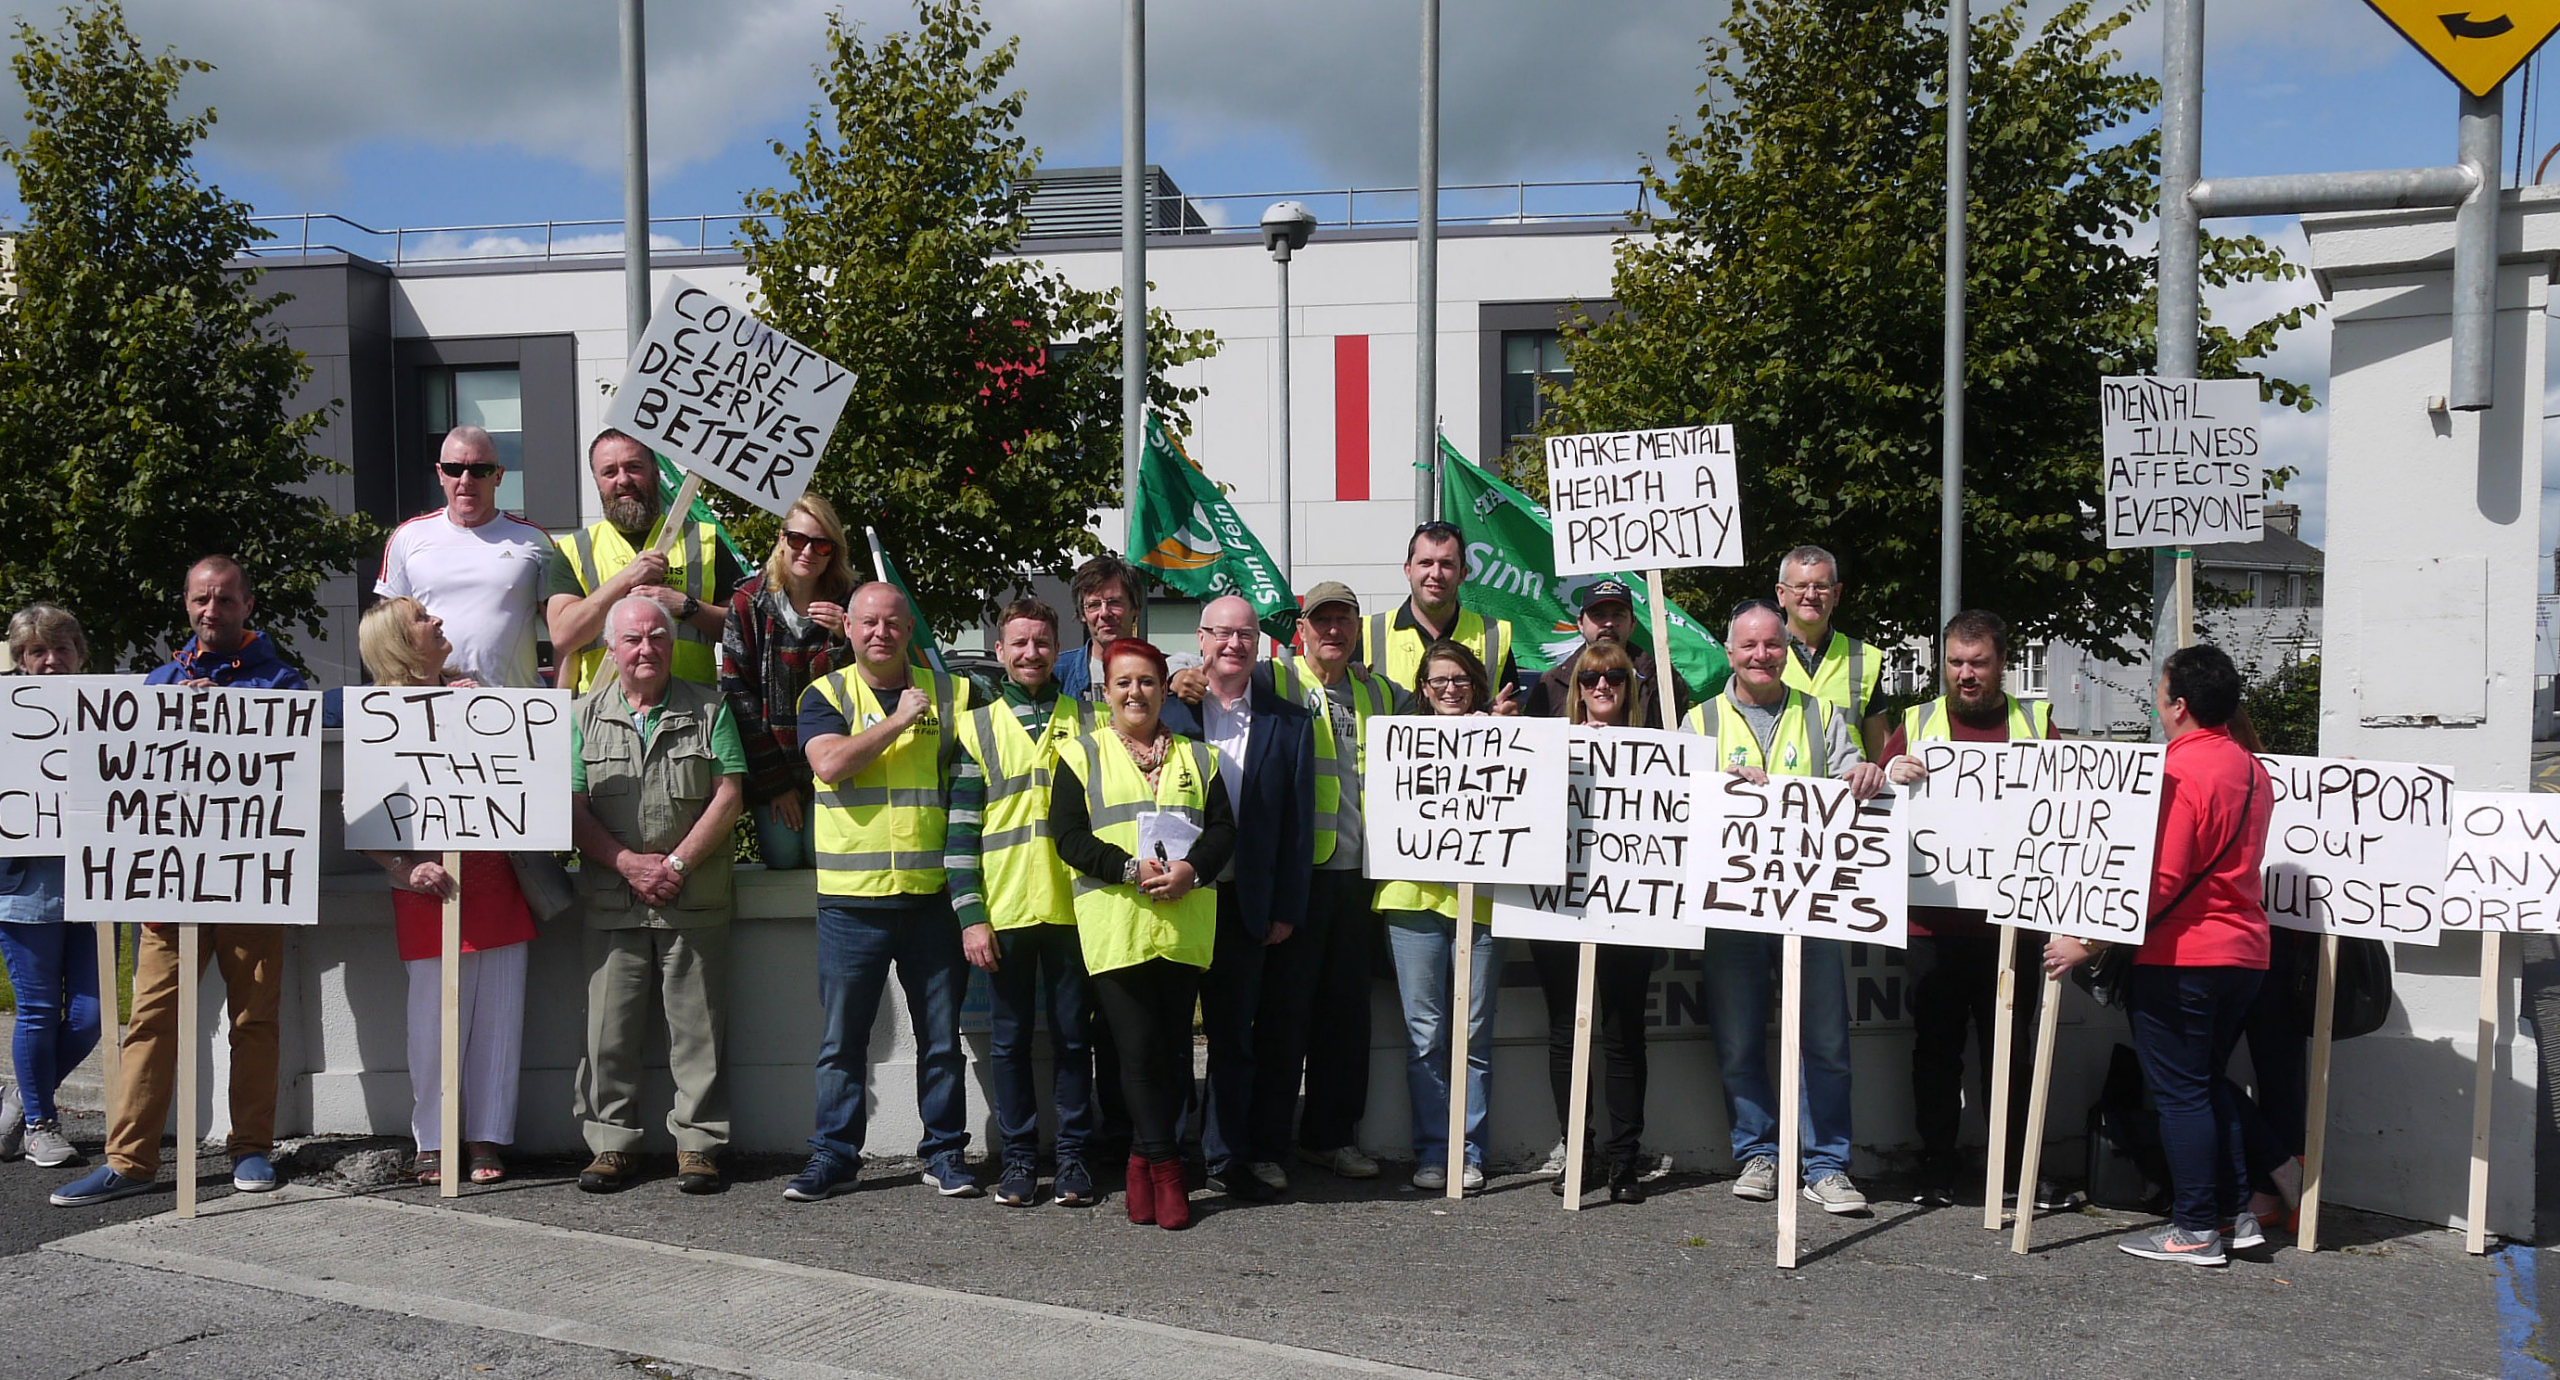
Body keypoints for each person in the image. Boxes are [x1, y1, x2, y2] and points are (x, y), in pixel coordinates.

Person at [55, 557, 307, 1207]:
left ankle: (251, 1148)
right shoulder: (161, 681)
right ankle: (129, 1159)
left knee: (254, 1020)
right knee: (150, 1021)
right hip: (169, 886)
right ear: (186, 603)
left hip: (251, 879)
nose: (210, 610)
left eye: (224, 599)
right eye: (200, 599)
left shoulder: (280, 683)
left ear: (248, 604)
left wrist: (220, 713)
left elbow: (292, 755)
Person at [2046, 644, 2274, 1267]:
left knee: (2180, 1092)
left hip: (2184, 956)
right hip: (2244, 953)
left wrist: (2085, 940)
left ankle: (2196, 1226)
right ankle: (2233, 1215)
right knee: (2204, 1083)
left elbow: (2160, 879)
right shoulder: (2253, 769)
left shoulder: (2178, 770)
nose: (2155, 700)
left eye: (2159, 689)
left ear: (2177, 704)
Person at [1683, 598, 1885, 1218]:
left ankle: (1826, 1166)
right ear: (1729, 652)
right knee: (1740, 1039)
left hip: (1813, 907)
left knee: (1824, 1041)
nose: (1761, 655)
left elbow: (1854, 773)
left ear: (1788, 650)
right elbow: (1678, 806)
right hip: (1734, 911)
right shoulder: (1699, 721)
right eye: (1748, 646)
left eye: (1772, 644)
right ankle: (1758, 1154)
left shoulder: (1822, 715)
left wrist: (1869, 774)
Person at [786, 582, 978, 1202]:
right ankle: (834, 1155)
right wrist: (899, 721)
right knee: (842, 1042)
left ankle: (945, 1154)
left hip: (931, 898)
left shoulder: (952, 693)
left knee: (941, 1041)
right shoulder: (825, 693)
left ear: (909, 630)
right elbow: (830, 765)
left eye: (893, 623)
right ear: (848, 628)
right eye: (867, 622)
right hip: (852, 901)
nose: (880, 633)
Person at [1051, 637, 1236, 1229]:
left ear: (1164, 687)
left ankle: (1139, 1159)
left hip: (1184, 924)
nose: (1136, 692)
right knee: (1135, 1051)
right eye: (1123, 683)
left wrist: (1192, 870)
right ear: (1107, 692)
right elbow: (1069, 837)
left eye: (1148, 682)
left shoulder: (1198, 757)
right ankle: (1163, 1167)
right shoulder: (1080, 754)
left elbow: (1224, 832)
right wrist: (1128, 868)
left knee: (1174, 1050)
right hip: (1117, 925)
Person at [1878, 610, 2060, 1208]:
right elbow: (1878, 802)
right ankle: (1936, 1166)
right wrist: (1890, 772)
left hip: (2015, 926)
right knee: (1935, 1050)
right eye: (1955, 662)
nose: (1966, 675)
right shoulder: (1917, 721)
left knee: (2009, 1051)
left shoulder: (2036, 724)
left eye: (1978, 663)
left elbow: (2069, 807)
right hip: (1934, 923)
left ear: (2002, 663)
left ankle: (2009, 1170)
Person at [566, 596, 746, 1196]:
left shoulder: (710, 708)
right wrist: (624, 863)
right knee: (607, 1034)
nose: (646, 650)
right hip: (612, 900)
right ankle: (611, 1144)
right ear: (612, 650)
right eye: (633, 640)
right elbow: (571, 807)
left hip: (692, 899)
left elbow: (728, 795)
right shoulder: (579, 717)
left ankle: (698, 1145)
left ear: (672, 644)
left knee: (699, 1032)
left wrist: (672, 864)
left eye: (658, 638)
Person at [355, 597, 537, 1186]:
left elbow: (523, 780)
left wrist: (482, 715)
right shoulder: (380, 716)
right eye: (422, 619)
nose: (437, 621)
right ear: (400, 644)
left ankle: (487, 1135)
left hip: (495, 882)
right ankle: (432, 1139)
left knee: (499, 1022)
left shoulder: (479, 697)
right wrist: (406, 867)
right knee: (432, 1026)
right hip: (429, 891)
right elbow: (361, 820)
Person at [1158, 595, 1314, 1201]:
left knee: (1235, 1041)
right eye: (1221, 633)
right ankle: (1170, 1155)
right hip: (1176, 897)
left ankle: (1226, 1157)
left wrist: (1285, 908)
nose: (1233, 644)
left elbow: (1297, 828)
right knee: (1171, 1037)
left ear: (1259, 643)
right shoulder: (1167, 712)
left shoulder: (1290, 724)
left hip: (1246, 903)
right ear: (1200, 639)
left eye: (1244, 634)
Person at [1250, 582, 1405, 1185]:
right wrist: (1189, 677)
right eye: (1323, 621)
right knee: (1284, 1017)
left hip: (1359, 879)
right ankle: (1265, 1144)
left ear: (1356, 630)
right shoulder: (1274, 681)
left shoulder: (1379, 691)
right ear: (1302, 631)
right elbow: (1213, 682)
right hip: (1300, 876)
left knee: (1347, 1019)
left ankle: (1330, 1138)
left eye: (1344, 620)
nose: (1333, 630)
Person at [948, 597, 1099, 1208]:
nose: (1031, 653)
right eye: (1019, 643)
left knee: (1072, 1040)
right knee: (1007, 1043)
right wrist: (970, 915)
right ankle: (1016, 1161)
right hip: (1005, 913)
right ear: (1001, 652)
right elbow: (958, 833)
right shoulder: (977, 726)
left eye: (1041, 642)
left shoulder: (1090, 722)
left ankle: (1073, 1160)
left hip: (1076, 910)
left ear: (1057, 647)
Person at [1531, 638, 1659, 1204]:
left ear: (1632, 687)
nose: (1601, 686)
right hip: (1559, 902)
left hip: (1631, 906)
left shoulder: (1659, 749)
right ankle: (1577, 1151)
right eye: (1589, 678)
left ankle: (1624, 1161)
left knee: (1625, 1032)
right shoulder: (1548, 746)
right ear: (1575, 689)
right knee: (1566, 1032)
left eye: (1614, 677)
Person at [1375, 639, 1501, 1193]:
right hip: (1409, 900)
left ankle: (1469, 1153)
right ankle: (1433, 1152)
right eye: (1438, 681)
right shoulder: (1399, 739)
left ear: (1475, 683)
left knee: (1472, 1034)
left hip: (1483, 902)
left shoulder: (1504, 740)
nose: (1450, 689)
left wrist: (1500, 735)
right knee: (1425, 1034)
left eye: (1460, 680)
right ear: (1422, 690)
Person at [0, 604, 99, 1170]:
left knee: (88, 1017)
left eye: (61, 649)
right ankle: (41, 1122)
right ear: (21, 661)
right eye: (38, 652)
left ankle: (20, 1095)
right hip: (21, 888)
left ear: (79, 655)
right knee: (38, 1011)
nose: (51, 661)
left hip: (92, 885)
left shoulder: (104, 711)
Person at [720, 495, 857, 870]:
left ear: (833, 553)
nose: (808, 551)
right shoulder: (748, 602)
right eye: (798, 539)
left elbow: (871, 685)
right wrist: (776, 784)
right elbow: (737, 695)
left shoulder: (852, 605)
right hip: (772, 763)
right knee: (782, 858)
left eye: (821, 544)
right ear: (781, 540)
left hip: (835, 766)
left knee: (822, 858)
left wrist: (849, 640)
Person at [546, 428, 740, 693]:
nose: (623, 480)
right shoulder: (573, 550)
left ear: (656, 473)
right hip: (605, 716)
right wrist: (627, 579)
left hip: (693, 714)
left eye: (634, 467)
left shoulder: (704, 541)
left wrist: (687, 606)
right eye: (610, 472)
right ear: (597, 481)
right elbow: (563, 637)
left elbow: (741, 631)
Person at [374, 424, 554, 688]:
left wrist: (564, 697)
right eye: (454, 469)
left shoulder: (533, 540)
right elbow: (387, 636)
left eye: (480, 470)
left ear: (499, 475)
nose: (466, 480)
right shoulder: (408, 536)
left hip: (514, 709)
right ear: (440, 473)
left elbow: (563, 630)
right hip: (432, 704)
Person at [1361, 520, 1521, 710]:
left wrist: (1506, 718)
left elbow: (1511, 708)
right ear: (1408, 570)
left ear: (1462, 574)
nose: (1436, 574)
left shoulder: (1494, 635)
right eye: (1426, 563)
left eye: (1446, 564)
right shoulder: (1367, 633)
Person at [1772, 545, 1889, 756]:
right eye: (1800, 586)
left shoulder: (1863, 659)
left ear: (1836, 594)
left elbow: (1881, 753)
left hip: (1848, 787)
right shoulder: (1759, 658)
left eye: (1821, 586)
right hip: (1780, 787)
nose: (1811, 594)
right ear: (1781, 594)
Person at [1523, 578, 1689, 720]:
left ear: (1633, 624)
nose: (1609, 623)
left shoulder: (1663, 680)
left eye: (1618, 615)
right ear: (1580, 623)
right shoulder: (1552, 683)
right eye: (1598, 615)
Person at [1055, 554, 1145, 703]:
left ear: (1135, 608)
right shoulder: (1057, 675)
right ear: (1082, 613)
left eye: (1114, 602)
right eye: (1094, 605)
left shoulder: (1163, 672)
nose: (1104, 613)